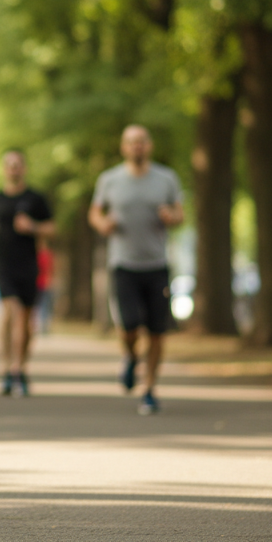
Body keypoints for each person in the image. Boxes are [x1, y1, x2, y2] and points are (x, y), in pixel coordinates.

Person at [88, 125, 184, 415]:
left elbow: (181, 214)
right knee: (129, 325)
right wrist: (103, 224)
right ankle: (130, 356)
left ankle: (150, 389)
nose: (137, 146)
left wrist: (171, 216)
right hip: (123, 265)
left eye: (142, 142)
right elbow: (95, 212)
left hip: (156, 264)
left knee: (156, 331)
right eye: (131, 142)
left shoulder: (166, 178)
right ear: (123, 147)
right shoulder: (110, 180)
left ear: (149, 146)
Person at [0, 150, 55, 397]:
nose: (13, 169)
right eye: (9, 165)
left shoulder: (35, 198)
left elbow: (52, 228)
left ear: (24, 168)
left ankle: (20, 368)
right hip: (4, 265)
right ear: (4, 169)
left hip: (29, 265)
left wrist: (32, 226)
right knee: (10, 315)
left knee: (27, 321)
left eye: (18, 165)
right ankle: (7, 369)